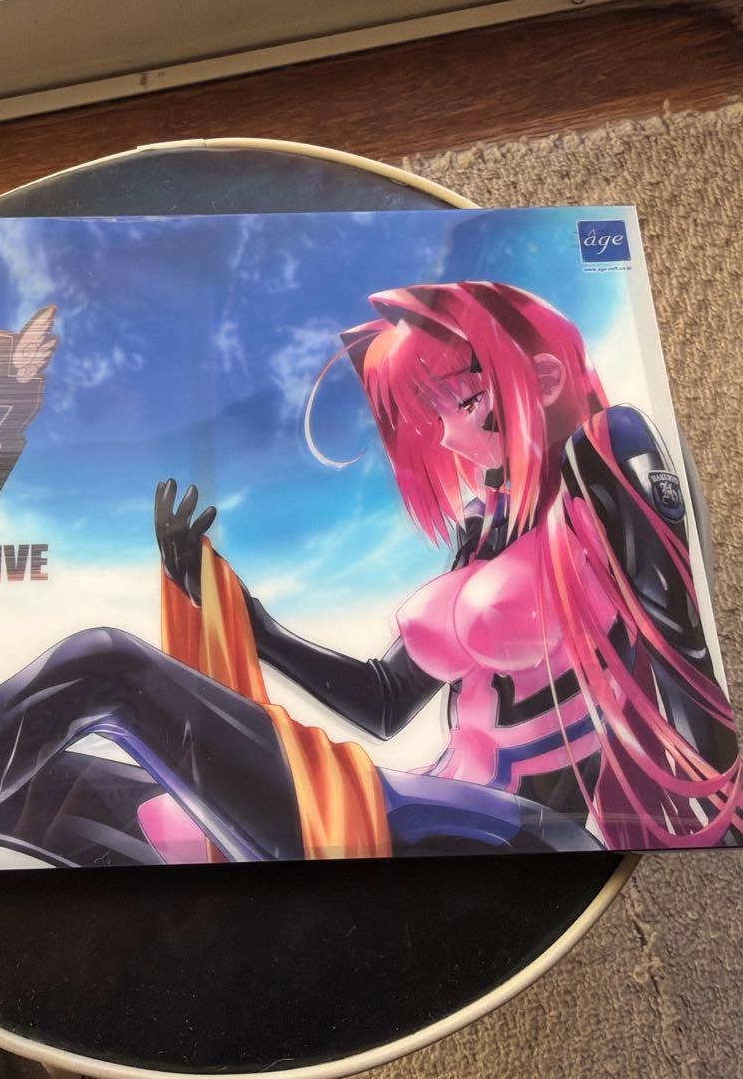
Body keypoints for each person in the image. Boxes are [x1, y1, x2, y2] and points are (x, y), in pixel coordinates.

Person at [156, 281, 738, 850]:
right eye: (430, 419)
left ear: (543, 380)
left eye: (463, 404)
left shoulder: (604, 453)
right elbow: (386, 700)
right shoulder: (484, 524)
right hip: (442, 800)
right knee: (162, 808)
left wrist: (722, 808)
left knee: (121, 674)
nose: (450, 441)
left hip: (520, 829)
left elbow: (679, 646)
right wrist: (250, 621)